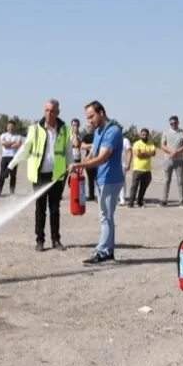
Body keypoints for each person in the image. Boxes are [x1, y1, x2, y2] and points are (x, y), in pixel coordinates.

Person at [8, 99, 73, 252]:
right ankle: (40, 240)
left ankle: (56, 240)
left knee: (55, 208)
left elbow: (68, 151)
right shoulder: (35, 129)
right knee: (40, 209)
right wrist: (11, 166)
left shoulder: (64, 130)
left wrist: (72, 167)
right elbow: (25, 149)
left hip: (57, 176)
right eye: (46, 110)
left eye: (52, 111)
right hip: (40, 176)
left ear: (58, 112)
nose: (49, 113)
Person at [68, 100, 124, 264]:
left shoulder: (112, 131)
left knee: (105, 217)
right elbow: (93, 154)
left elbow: (101, 158)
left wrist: (78, 164)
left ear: (101, 113)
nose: (89, 121)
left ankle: (102, 252)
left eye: (91, 116)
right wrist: (81, 166)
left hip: (111, 180)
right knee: (107, 217)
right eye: (88, 117)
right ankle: (109, 251)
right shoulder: (99, 131)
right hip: (103, 179)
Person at [160, 115, 183, 208]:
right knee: (167, 180)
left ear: (178, 123)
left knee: (180, 181)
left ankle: (182, 200)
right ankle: (164, 199)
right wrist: (171, 151)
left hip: (179, 160)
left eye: (175, 123)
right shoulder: (166, 132)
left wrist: (177, 151)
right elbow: (163, 145)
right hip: (168, 160)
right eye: (171, 123)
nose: (173, 125)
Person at [128, 128, 156, 207]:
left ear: (148, 135)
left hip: (147, 170)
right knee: (134, 187)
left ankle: (140, 201)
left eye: (146, 134)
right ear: (140, 135)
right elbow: (138, 154)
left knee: (143, 187)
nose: (144, 136)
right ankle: (131, 202)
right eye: (143, 134)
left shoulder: (151, 144)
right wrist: (148, 153)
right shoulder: (137, 143)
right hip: (137, 169)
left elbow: (154, 153)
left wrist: (143, 152)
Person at [0, 121, 23, 196]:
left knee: (13, 176)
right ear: (7, 127)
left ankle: (12, 192)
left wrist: (8, 143)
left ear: (15, 127)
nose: (10, 128)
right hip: (5, 157)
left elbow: (17, 145)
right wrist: (12, 143)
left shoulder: (18, 136)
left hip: (14, 158)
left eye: (12, 126)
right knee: (2, 175)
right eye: (9, 126)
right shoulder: (3, 135)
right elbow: (3, 144)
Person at [118, 135, 132, 205]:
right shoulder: (111, 139)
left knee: (122, 182)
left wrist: (128, 163)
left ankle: (122, 198)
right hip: (112, 165)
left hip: (122, 165)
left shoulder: (125, 140)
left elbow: (129, 152)